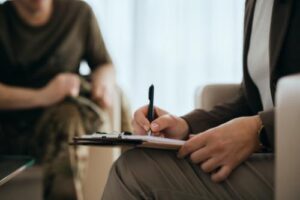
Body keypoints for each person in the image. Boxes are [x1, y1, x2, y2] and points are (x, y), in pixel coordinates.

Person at [102, 0, 300, 199]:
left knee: (133, 171)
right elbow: (250, 101)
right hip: (273, 155)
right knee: (137, 161)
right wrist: (185, 126)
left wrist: (258, 129)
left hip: (292, 162)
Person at [0, 0, 131, 199]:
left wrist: (103, 82)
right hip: (11, 127)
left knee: (72, 115)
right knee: (67, 118)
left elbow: (104, 64)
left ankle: (129, 182)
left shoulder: (79, 12)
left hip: (63, 118)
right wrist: (43, 96)